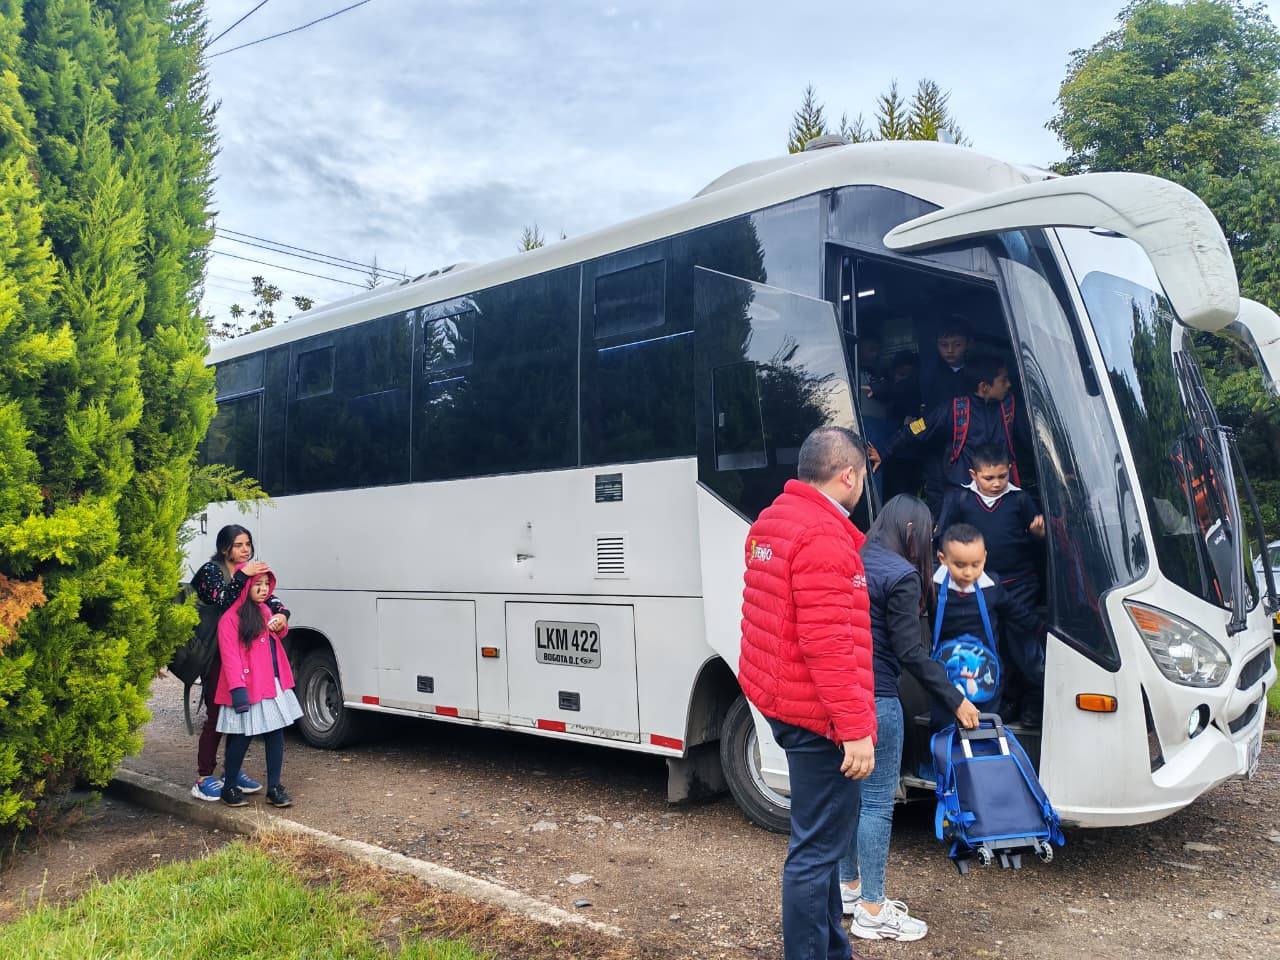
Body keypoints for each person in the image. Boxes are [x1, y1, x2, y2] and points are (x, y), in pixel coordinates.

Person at [739, 425, 877, 960]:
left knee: (822, 845)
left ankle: (831, 950)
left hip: (786, 702)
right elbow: (829, 644)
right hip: (818, 716)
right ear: (849, 476)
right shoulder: (823, 537)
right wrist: (855, 729)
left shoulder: (774, 519)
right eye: (862, 476)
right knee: (816, 853)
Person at [841, 496, 980, 942]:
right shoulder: (900, 575)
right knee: (877, 803)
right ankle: (872, 909)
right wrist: (955, 699)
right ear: (910, 532)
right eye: (926, 533)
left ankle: (848, 887)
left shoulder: (852, 558)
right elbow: (910, 653)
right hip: (878, 698)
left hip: (841, 697)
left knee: (848, 798)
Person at [189, 525, 289, 801]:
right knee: (216, 715)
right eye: (238, 545)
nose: (245, 549)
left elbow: (271, 599)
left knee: (240, 718)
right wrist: (243, 576)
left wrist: (282, 615)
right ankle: (204, 776)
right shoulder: (211, 571)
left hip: (246, 657)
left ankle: (230, 774)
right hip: (215, 654)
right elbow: (224, 601)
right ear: (225, 549)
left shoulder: (250, 571)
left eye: (248, 544)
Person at [885, 354, 1028, 518]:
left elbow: (1029, 436)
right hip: (965, 499)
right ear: (984, 387)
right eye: (1003, 381)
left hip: (1001, 493)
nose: (1009, 384)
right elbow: (919, 427)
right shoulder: (956, 409)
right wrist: (884, 451)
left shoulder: (1010, 407)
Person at [931, 524, 1044, 726]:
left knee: (985, 726)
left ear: (985, 557)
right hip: (946, 676)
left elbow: (1017, 613)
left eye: (976, 564)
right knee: (945, 728)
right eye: (959, 565)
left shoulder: (991, 586)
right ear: (942, 559)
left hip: (985, 674)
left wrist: (1042, 630)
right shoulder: (933, 585)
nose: (968, 572)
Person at [214, 566, 302, 808]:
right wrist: (237, 689)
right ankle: (229, 786)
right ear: (245, 586)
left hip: (270, 683)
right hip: (246, 686)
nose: (264, 589)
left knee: (276, 734)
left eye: (266, 584)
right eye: (257, 584)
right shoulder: (230, 619)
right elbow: (230, 658)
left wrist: (280, 625)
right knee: (241, 737)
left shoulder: (264, 610)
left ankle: (274, 787)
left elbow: (275, 638)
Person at [919, 319, 975, 411]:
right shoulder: (930, 375)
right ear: (936, 345)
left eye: (957, 345)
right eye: (944, 345)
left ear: (969, 344)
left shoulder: (978, 371)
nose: (950, 350)